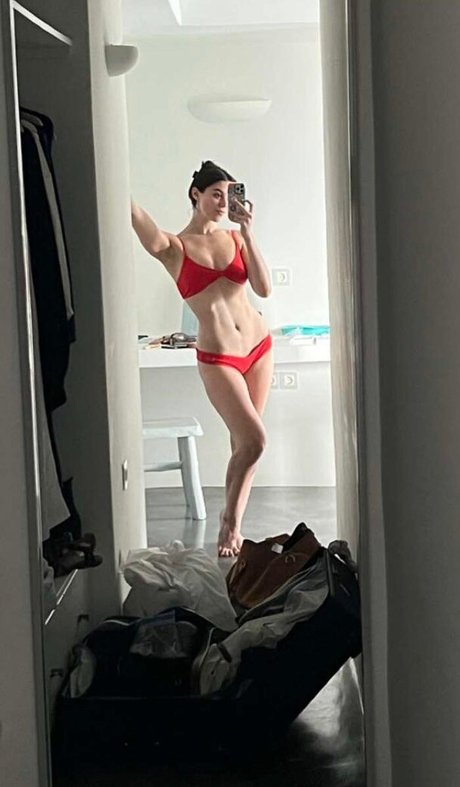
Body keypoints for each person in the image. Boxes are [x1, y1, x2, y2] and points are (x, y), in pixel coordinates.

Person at [131, 161, 272, 557]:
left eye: (229, 195)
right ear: (196, 194)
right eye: (216, 194)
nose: (224, 203)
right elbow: (144, 227)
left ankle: (234, 521)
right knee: (255, 441)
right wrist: (120, 192)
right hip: (220, 357)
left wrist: (248, 231)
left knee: (243, 445)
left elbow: (263, 288)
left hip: (259, 348)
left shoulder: (237, 238)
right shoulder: (175, 248)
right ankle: (229, 522)